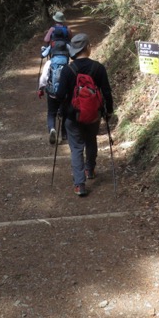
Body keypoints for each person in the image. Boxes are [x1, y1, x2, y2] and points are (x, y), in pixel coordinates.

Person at [55, 33, 113, 197]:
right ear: (87, 47)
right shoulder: (98, 68)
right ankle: (90, 169)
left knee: (76, 148)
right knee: (91, 141)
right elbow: (106, 92)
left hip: (73, 116)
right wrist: (108, 110)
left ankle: (79, 184)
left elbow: (60, 95)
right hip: (94, 114)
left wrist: (62, 110)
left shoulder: (68, 70)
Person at [38, 40, 70, 144]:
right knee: (65, 113)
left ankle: (52, 129)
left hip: (51, 93)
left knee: (51, 113)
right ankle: (64, 135)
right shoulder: (67, 62)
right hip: (64, 94)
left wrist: (41, 89)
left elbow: (44, 78)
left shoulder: (49, 62)